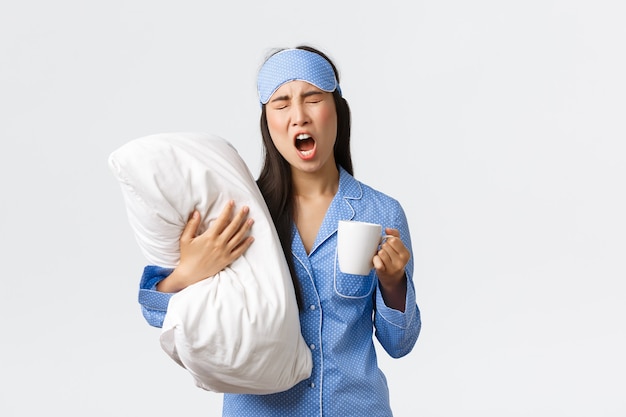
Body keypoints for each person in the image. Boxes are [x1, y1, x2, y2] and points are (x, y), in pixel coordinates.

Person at [138, 45, 421, 416]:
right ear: (267, 122)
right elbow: (158, 314)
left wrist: (393, 282)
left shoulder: (381, 212)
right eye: (281, 103)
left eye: (312, 98)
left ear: (336, 110)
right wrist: (189, 272)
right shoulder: (239, 213)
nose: (299, 116)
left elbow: (400, 343)